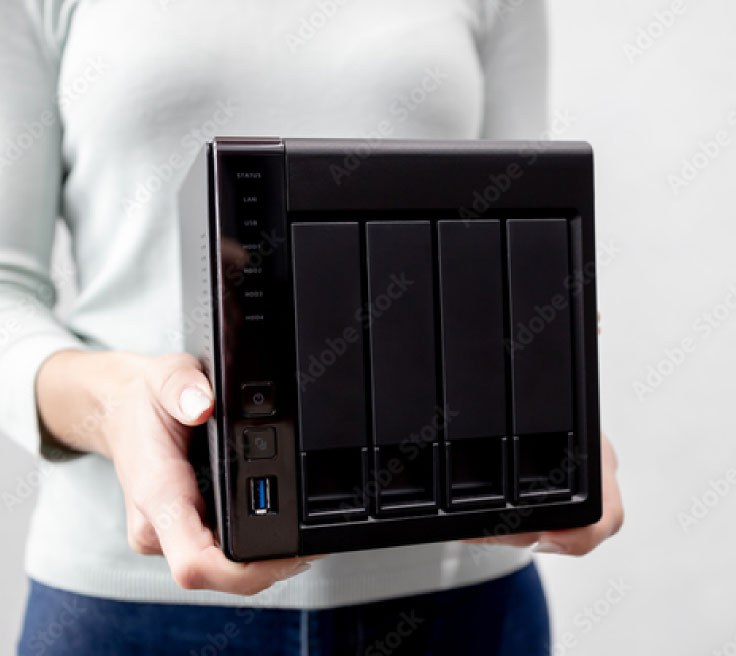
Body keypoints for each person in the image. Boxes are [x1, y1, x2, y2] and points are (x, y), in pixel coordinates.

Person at [0, 0, 623, 653]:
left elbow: (521, 231)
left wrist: (557, 396)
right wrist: (114, 407)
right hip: (131, 606)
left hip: (456, 594)